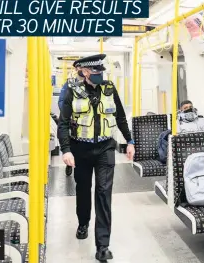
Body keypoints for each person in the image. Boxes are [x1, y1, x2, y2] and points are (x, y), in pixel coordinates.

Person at [57, 54, 135, 261]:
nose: (99, 74)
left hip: (105, 148)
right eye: (95, 71)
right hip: (80, 149)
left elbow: (120, 117)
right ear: (83, 71)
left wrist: (130, 141)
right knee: (83, 189)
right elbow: (63, 123)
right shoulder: (72, 92)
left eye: (101, 71)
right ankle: (83, 222)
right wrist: (65, 150)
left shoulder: (109, 89)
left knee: (103, 191)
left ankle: (103, 245)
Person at [58, 65, 84, 176]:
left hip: (87, 124)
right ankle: (70, 164)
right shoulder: (70, 84)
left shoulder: (92, 84)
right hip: (72, 121)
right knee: (72, 143)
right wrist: (67, 113)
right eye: (79, 68)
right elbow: (61, 101)